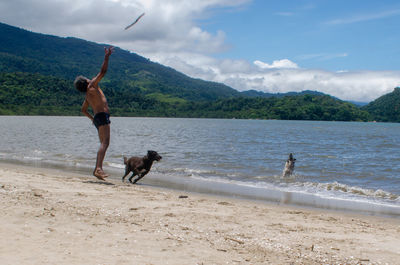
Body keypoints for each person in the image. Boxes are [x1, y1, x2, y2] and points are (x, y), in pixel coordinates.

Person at [74, 46, 114, 180]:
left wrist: (92, 119)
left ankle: (97, 169)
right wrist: (107, 57)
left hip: (98, 118)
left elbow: (83, 110)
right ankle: (98, 168)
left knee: (103, 143)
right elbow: (103, 72)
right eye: (87, 79)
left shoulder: (87, 96)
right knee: (105, 143)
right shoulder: (92, 86)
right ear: (86, 82)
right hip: (102, 117)